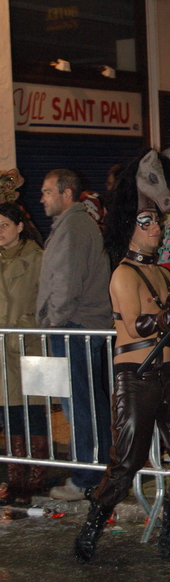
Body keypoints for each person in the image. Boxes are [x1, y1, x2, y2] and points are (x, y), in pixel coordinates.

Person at [74, 151, 170, 563]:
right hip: (136, 375)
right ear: (128, 227)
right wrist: (169, 316)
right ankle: (93, 526)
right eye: (146, 223)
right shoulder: (123, 274)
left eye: (157, 222)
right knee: (127, 462)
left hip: (169, 371)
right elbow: (135, 326)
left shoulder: (163, 273)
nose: (155, 229)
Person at [36, 169, 112, 501]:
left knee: (81, 406)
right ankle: (96, 472)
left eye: (47, 191)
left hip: (74, 329)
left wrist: (55, 322)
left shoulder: (75, 227)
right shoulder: (70, 226)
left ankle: (88, 477)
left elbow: (67, 284)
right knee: (83, 404)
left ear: (67, 194)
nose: (42, 198)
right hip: (73, 327)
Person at [0, 203, 47, 506]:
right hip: (2, 350)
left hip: (24, 345)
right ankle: (15, 476)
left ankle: (37, 476)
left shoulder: (39, 260)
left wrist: (20, 328)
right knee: (8, 412)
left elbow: (45, 306)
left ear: (19, 226)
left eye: (4, 224)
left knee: (30, 411)